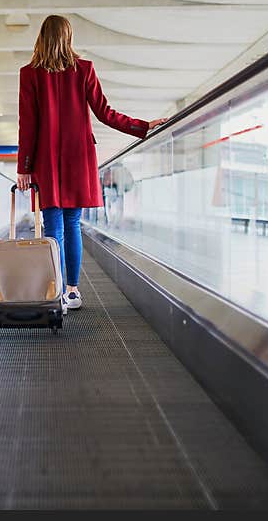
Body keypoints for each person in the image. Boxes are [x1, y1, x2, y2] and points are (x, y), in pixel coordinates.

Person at [16, 15, 165, 313]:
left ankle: (54, 289)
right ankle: (72, 291)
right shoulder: (84, 69)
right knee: (73, 225)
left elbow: (28, 124)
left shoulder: (29, 74)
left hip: (46, 161)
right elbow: (105, 112)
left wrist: (25, 166)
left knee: (52, 227)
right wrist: (142, 126)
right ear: (69, 38)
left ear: (41, 38)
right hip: (78, 157)